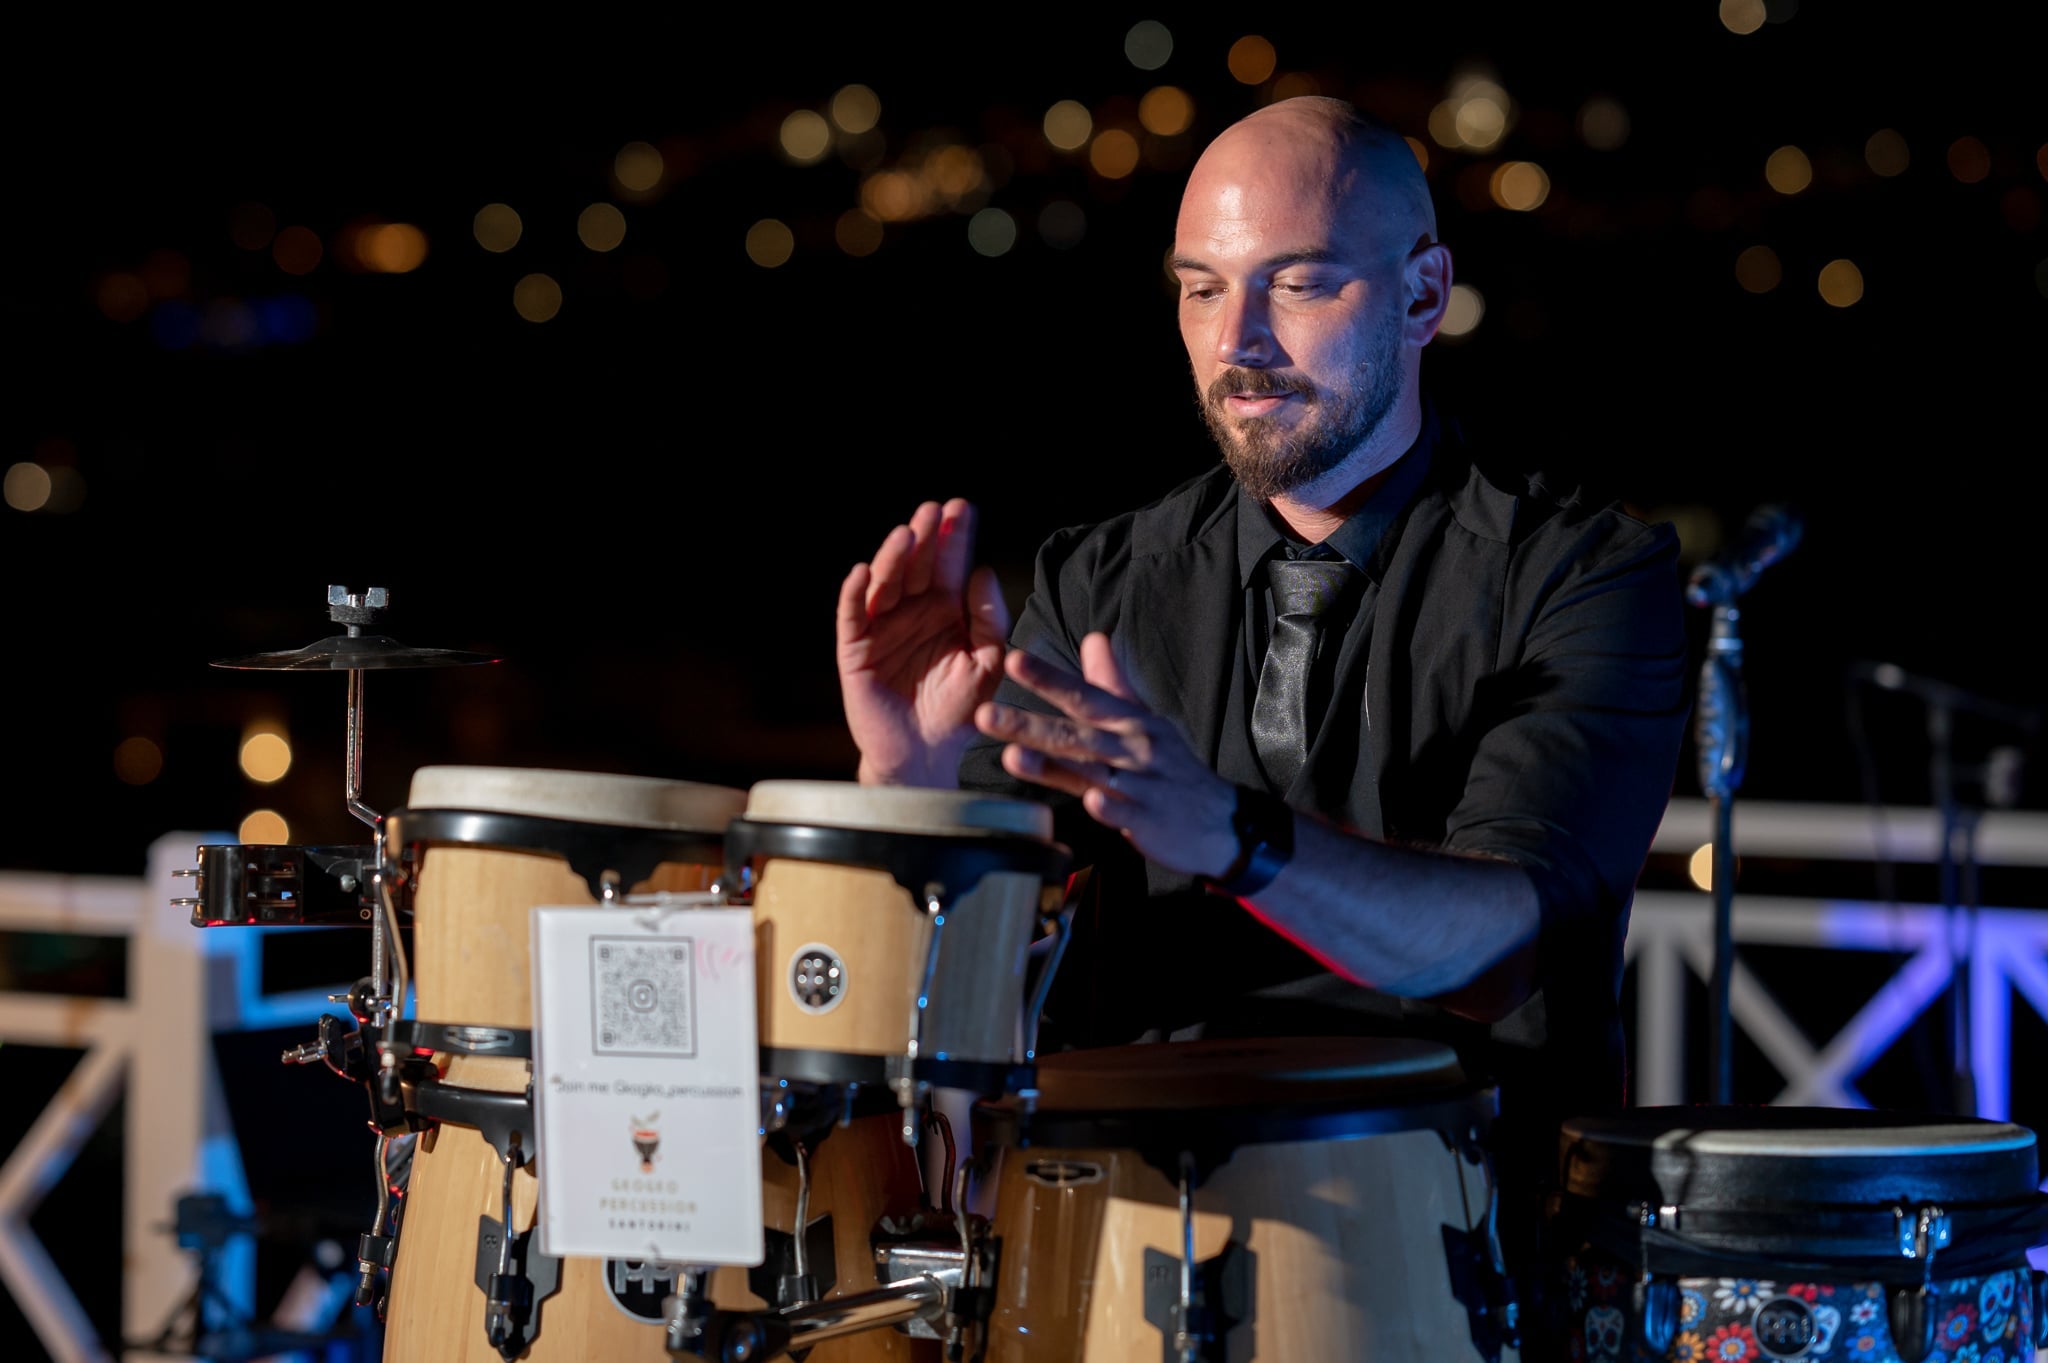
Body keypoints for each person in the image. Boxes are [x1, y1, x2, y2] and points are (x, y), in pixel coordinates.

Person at [834, 95, 1689, 1345]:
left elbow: (1500, 942)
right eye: (1198, 289)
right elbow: (972, 982)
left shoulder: (1582, 576)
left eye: (1294, 285)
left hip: (1456, 1264)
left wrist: (1230, 835)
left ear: (1419, 296)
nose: (1236, 343)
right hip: (1109, 1245)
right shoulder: (1094, 581)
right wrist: (905, 782)